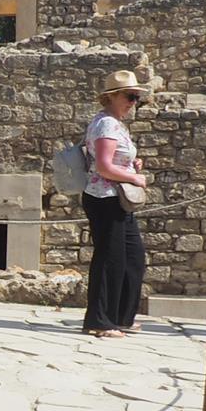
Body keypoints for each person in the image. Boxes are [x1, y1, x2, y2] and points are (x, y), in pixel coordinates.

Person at [80, 69, 150, 338]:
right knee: (110, 259)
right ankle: (100, 320)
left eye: (136, 98)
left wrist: (131, 164)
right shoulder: (107, 125)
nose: (133, 102)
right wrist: (134, 177)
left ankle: (121, 316)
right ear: (112, 96)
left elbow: (113, 160)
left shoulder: (114, 123)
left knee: (132, 257)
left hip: (117, 199)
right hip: (105, 198)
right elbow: (103, 166)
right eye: (129, 96)